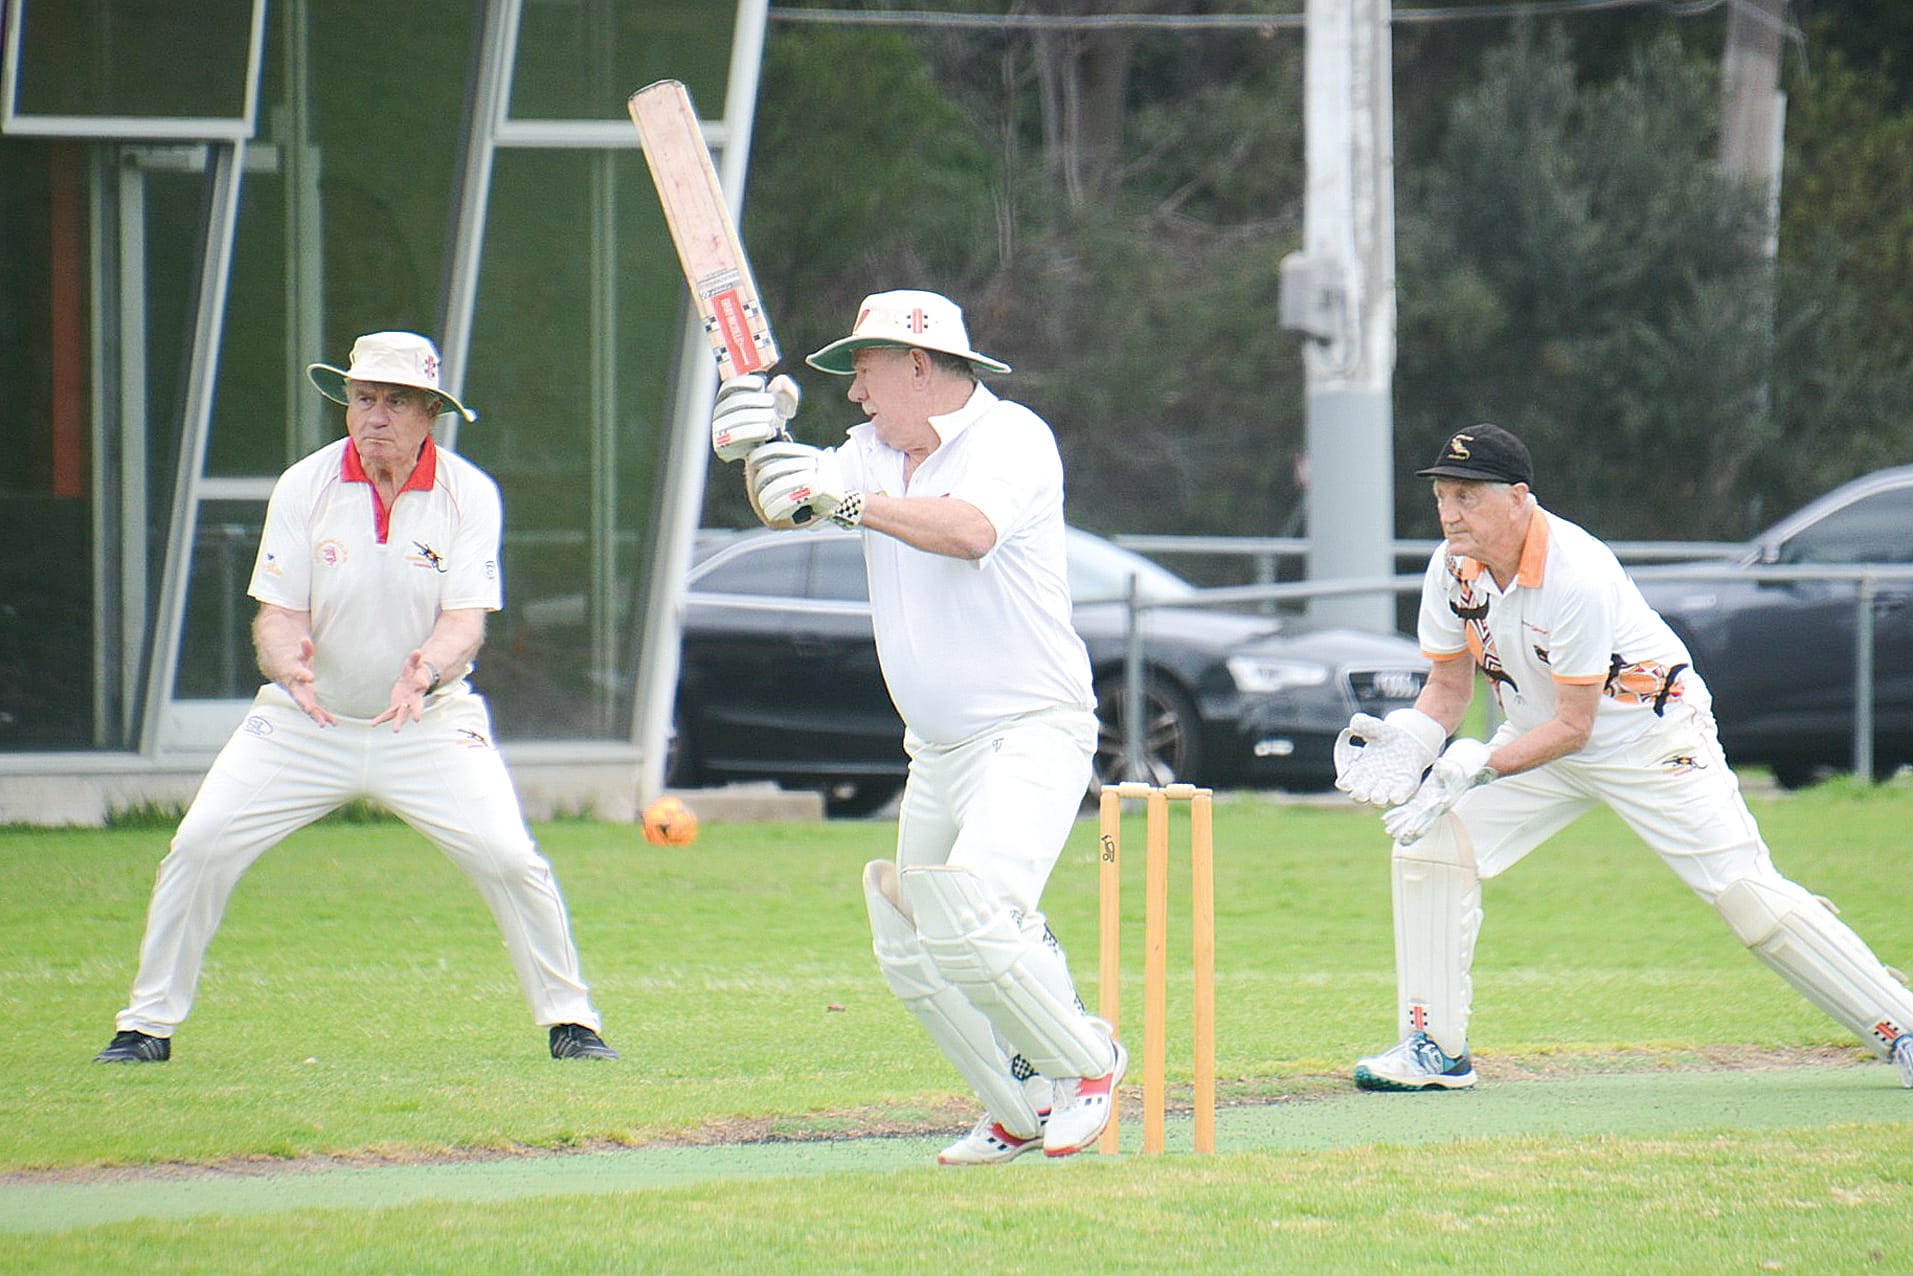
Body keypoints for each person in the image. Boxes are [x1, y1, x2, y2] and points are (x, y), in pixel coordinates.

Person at [1335, 423, 1913, 1092]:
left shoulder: (1573, 573)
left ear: (1518, 498)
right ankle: (1433, 1049)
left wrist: (1479, 765)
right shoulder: (1451, 568)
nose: (1448, 513)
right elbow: (1445, 687)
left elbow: (1576, 726)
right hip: (1538, 739)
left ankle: (1900, 1026)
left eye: (1466, 496)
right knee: (1427, 847)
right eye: (1441, 495)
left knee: (1745, 895)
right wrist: (1411, 742)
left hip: (1648, 739)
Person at [94, 332, 616, 1065]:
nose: (375, 415)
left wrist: (423, 671)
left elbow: (465, 621)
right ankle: (145, 1029)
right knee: (199, 846)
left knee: (507, 856)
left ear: (430, 412)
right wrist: (288, 666)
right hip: (307, 721)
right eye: (363, 398)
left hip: (427, 721)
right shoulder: (304, 485)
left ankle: (572, 1023)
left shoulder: (470, 493)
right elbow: (277, 614)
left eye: (395, 401)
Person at [707, 289, 1124, 1163]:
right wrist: (759, 444)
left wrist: (844, 503)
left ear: (919, 365)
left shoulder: (1012, 438)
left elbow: (971, 532)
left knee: (973, 910)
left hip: (1031, 727)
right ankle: (1014, 1108)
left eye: (863, 373)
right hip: (934, 748)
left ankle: (1087, 1064)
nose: (854, 397)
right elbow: (786, 502)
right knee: (909, 943)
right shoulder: (867, 451)